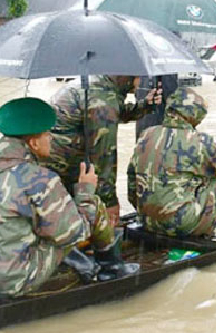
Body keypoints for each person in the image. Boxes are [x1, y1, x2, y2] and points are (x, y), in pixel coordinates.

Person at [0, 98, 139, 301]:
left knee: (46, 226)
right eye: (48, 134)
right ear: (33, 143)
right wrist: (85, 190)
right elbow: (75, 232)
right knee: (93, 209)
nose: (51, 139)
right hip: (9, 283)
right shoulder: (39, 179)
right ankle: (112, 269)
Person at [44, 75, 161, 226]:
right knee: (86, 221)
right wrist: (109, 201)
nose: (143, 84)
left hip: (51, 162)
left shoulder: (96, 83)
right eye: (141, 78)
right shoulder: (102, 98)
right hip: (62, 167)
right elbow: (104, 157)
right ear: (130, 76)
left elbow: (112, 112)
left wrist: (144, 106)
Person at [128, 88, 216, 238]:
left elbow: (132, 180)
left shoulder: (146, 134)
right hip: (181, 225)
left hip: (147, 221)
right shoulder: (200, 141)